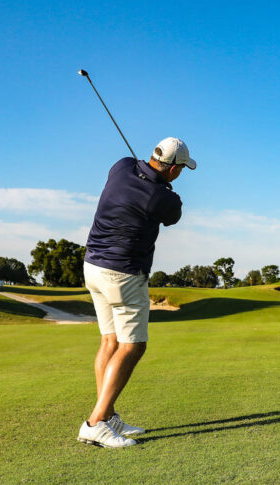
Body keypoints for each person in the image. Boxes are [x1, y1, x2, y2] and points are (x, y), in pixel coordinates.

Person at [77, 137, 195, 448]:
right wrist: (162, 187)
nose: (182, 174)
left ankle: (109, 414)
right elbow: (173, 214)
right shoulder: (163, 198)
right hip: (123, 274)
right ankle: (97, 422)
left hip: (92, 268)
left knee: (109, 340)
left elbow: (134, 171)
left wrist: (151, 178)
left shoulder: (121, 166)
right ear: (172, 170)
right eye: (181, 169)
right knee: (133, 346)